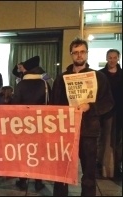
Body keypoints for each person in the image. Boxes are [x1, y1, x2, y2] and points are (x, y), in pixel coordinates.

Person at [51, 38, 114, 196]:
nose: (79, 55)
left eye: (82, 52)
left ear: (87, 53)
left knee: (89, 173)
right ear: (71, 54)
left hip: (89, 131)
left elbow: (108, 102)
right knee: (61, 172)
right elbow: (54, 103)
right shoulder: (62, 78)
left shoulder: (98, 77)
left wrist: (90, 107)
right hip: (66, 131)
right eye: (76, 52)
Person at [12, 55, 50, 192]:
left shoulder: (21, 84)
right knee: (38, 154)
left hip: (23, 126)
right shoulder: (44, 84)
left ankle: (23, 180)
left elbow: (14, 106)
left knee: (24, 153)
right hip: (41, 125)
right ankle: (38, 181)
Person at [98, 49, 122, 179]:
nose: (112, 60)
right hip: (104, 112)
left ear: (118, 58)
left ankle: (116, 166)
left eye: (114, 57)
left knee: (117, 140)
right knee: (103, 139)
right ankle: (101, 165)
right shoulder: (101, 74)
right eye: (110, 57)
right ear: (106, 58)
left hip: (119, 111)